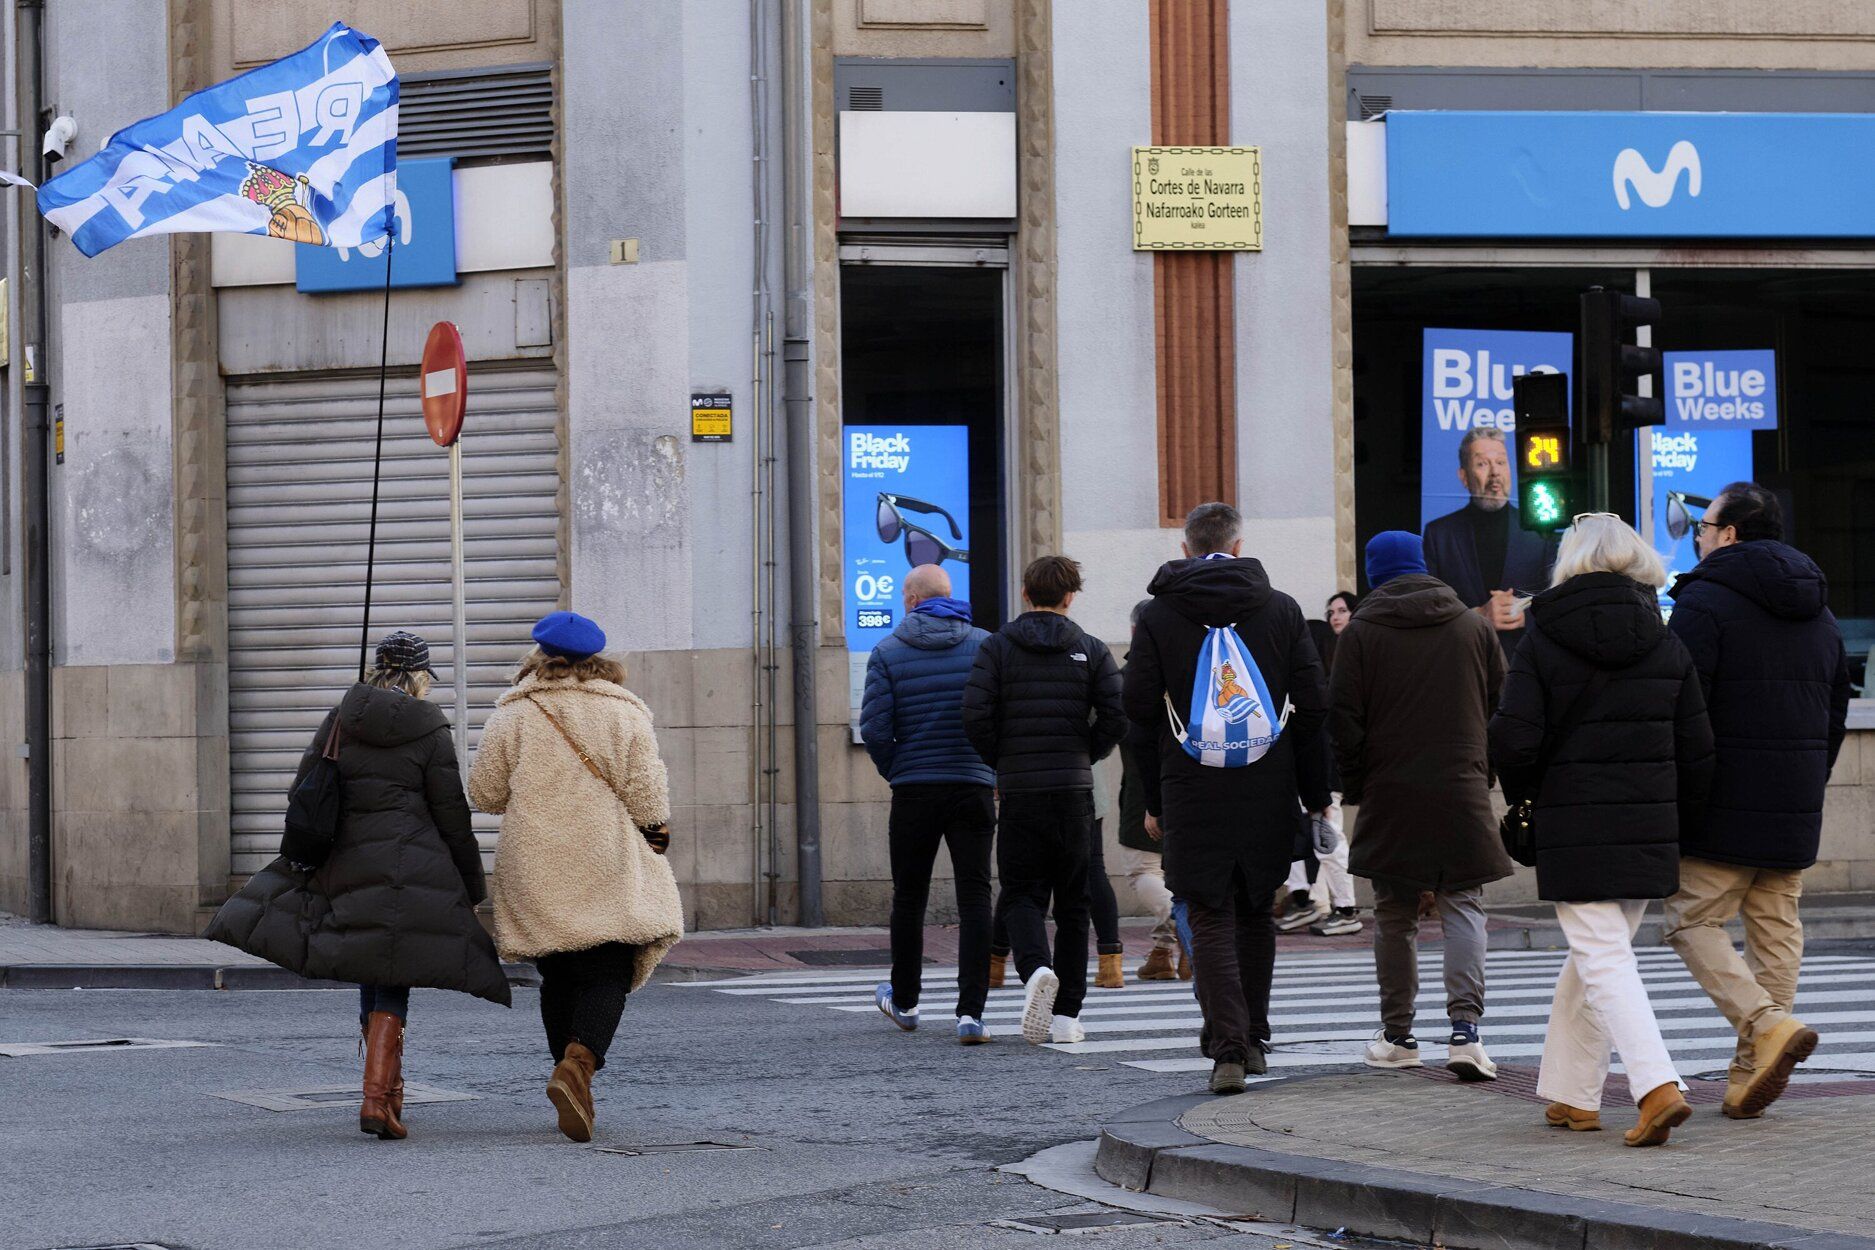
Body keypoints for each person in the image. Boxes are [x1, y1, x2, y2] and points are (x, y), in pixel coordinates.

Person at [206, 631, 509, 1142]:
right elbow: (451, 813)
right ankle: (379, 1097)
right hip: (412, 864)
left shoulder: (340, 719)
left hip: (346, 860)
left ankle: (381, 1095)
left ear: (376, 668)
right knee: (393, 967)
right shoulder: (430, 732)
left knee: (372, 958)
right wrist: (470, 882)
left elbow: (302, 787)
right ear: (419, 676)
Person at [1489, 515, 1715, 1147]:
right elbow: (1697, 748)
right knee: (1593, 957)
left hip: (1575, 819)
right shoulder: (1666, 640)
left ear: (1572, 561)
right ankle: (1574, 1096)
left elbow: (1514, 736)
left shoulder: (1545, 637)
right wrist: (1678, 821)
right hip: (1648, 822)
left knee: (1602, 957)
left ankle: (1656, 1086)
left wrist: (1522, 794)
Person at [1122, 502, 1331, 1095]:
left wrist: (1154, 796)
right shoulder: (1281, 609)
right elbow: (1313, 706)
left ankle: (1229, 1049)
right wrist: (1314, 795)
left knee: (1208, 909)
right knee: (1255, 908)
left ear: (1186, 550)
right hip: (1269, 779)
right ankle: (1254, 1037)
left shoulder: (1161, 615)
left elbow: (1136, 709)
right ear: (1238, 547)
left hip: (1190, 784)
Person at [1661, 482, 1851, 1120]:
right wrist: (1805, 781)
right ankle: (1748, 1076)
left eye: (1704, 526)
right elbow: (1835, 714)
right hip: (1793, 800)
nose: (1699, 536)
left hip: (1721, 801)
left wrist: (1682, 789)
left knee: (1690, 920)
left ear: (1731, 533)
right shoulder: (1819, 610)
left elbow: (1680, 709)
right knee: (1774, 930)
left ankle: (1765, 1026)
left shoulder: (1704, 602)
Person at [467, 611, 685, 1143]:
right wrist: (657, 830)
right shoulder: (625, 713)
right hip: (604, 854)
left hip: (535, 860)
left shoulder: (513, 713)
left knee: (559, 972)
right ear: (599, 661)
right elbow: (646, 792)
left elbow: (485, 793)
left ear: (539, 658)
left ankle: (572, 1076)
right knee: (608, 968)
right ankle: (578, 1067)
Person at [1332, 531, 1512, 1081]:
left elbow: (1343, 719)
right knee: (1463, 903)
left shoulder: (1361, 632)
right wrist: (1484, 772)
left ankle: (1398, 1035)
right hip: (1461, 784)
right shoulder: (1473, 626)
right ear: (1422, 566)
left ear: (1373, 574)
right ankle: (1466, 1033)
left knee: (1395, 914)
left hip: (1391, 789)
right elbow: (1500, 708)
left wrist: (1358, 784)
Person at [963, 555, 1126, 1046]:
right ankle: (1066, 1018)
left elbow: (974, 716)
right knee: (1074, 903)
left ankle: (1035, 968)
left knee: (1020, 893)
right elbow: (1116, 717)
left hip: (1021, 790)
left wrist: (1002, 759)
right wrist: (1086, 752)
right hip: (1074, 792)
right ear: (1070, 596)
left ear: (1025, 593)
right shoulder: (1092, 649)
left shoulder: (996, 648)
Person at [859, 564, 998, 1044]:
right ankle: (971, 1013)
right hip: (972, 786)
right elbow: (994, 716)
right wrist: (989, 768)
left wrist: (898, 769)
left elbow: (875, 729)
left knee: (909, 895)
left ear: (913, 599)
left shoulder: (887, 651)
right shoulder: (984, 646)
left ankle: (906, 1001)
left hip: (915, 789)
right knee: (976, 894)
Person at [1422, 428, 1558, 655]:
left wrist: (1523, 614)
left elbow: (1558, 602)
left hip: (1525, 667)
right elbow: (1429, 609)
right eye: (1483, 464)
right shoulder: (1439, 535)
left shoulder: (1540, 532)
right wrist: (1478, 616)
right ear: (1464, 476)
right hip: (1465, 665)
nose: (1495, 472)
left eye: (1501, 462)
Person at [1276, 592, 1362, 937]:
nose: (1335, 616)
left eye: (1342, 610)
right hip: (1309, 773)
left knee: (1328, 839)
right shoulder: (1318, 675)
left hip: (1325, 774)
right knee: (1304, 837)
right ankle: (1307, 901)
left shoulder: (1334, 677)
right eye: (1331, 611)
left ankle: (1344, 907)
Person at [1117, 601, 1188, 982]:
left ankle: (1185, 928)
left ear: (1134, 632)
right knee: (1171, 870)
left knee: (1140, 868)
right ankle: (1164, 954)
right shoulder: (1184, 666)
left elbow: (1123, 734)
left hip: (1144, 787)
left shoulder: (1131, 675)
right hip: (1186, 782)